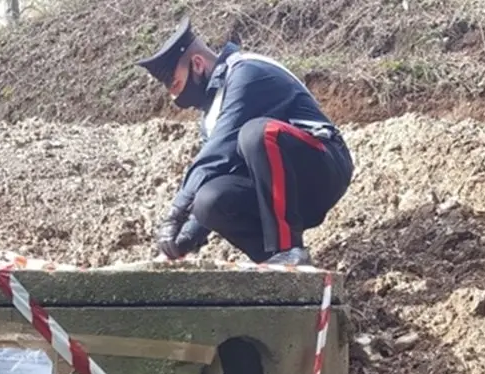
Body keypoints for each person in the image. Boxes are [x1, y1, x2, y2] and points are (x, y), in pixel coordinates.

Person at [137, 17, 354, 265]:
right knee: (208, 199)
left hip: (323, 166)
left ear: (197, 64)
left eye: (176, 85)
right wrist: (182, 241)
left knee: (257, 133)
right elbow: (218, 169)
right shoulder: (211, 115)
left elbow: (216, 154)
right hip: (278, 192)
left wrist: (175, 214)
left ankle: (288, 251)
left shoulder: (247, 73)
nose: (176, 98)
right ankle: (272, 262)